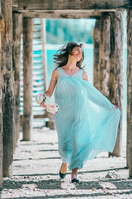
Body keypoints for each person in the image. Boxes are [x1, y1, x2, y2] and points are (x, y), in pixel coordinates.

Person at [45, 42, 120, 183]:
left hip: (80, 113)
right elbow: (49, 92)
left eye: (81, 52)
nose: (80, 54)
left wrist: (108, 106)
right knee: (64, 144)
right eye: (77, 51)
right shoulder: (58, 72)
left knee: (78, 142)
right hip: (63, 114)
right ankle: (65, 163)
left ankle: (74, 174)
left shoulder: (82, 74)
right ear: (69, 52)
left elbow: (92, 94)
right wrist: (43, 98)